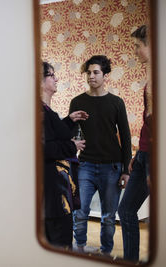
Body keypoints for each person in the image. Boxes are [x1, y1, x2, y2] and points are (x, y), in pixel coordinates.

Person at [69, 55, 132, 255]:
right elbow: (71, 133)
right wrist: (72, 142)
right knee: (80, 212)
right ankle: (79, 248)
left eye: (96, 72)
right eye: (88, 72)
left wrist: (125, 169)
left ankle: (105, 253)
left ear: (105, 75)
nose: (91, 76)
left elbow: (126, 137)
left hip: (112, 167)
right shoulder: (77, 101)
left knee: (108, 217)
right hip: (85, 165)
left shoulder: (116, 102)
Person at [41, 61, 88, 248]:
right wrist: (72, 145)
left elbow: (51, 135)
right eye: (52, 75)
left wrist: (69, 120)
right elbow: (43, 148)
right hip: (52, 193)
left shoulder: (46, 111)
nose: (56, 78)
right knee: (59, 242)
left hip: (57, 188)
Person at [118, 25, 151, 262]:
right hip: (144, 156)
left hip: (155, 158)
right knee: (126, 209)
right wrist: (138, 153)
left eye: (138, 46)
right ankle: (130, 260)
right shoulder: (152, 78)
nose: (135, 51)